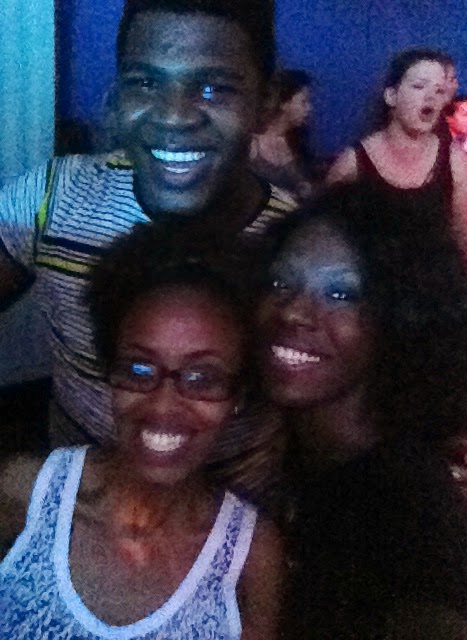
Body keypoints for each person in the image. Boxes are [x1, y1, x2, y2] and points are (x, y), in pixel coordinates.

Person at [0, 0, 294, 449]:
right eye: (145, 83)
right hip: (79, 486)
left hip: (243, 492)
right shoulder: (52, 198)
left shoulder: (297, 249)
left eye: (213, 88)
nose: (174, 116)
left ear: (266, 102)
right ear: (118, 93)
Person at [0, 233, 284, 638]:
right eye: (139, 370)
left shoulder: (252, 558)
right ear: (110, 373)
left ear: (237, 395)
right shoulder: (22, 494)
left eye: (202, 378)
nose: (163, 406)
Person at [256, 184, 467, 637]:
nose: (294, 311)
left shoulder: (411, 528)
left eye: (341, 294)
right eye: (281, 283)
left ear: (401, 315)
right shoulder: (306, 456)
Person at [325, 48, 467, 267]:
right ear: (391, 96)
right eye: (419, 86)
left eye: (439, 90)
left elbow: (462, 239)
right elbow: (327, 237)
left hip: (435, 282)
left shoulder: (455, 162)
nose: (431, 96)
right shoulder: (353, 163)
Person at [250, 69, 316, 202]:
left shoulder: (292, 142)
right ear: (284, 104)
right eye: (303, 102)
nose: (309, 108)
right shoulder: (252, 143)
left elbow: (302, 185)